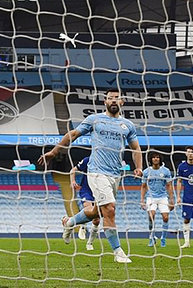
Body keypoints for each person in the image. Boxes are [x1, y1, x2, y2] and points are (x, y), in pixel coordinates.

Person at [38, 89, 143, 264]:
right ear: (105, 102)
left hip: (115, 174)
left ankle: (70, 222)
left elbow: (136, 148)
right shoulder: (94, 120)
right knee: (109, 209)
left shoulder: (128, 125)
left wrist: (139, 167)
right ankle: (118, 251)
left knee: (97, 212)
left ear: (122, 102)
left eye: (117, 98)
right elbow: (72, 134)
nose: (114, 101)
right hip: (96, 172)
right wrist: (54, 151)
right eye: (110, 98)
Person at [141, 151, 175, 247]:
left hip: (163, 197)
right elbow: (143, 186)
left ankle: (163, 238)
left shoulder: (166, 171)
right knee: (151, 216)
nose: (155, 159)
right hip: (151, 197)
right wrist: (142, 200)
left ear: (160, 159)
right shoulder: (146, 171)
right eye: (154, 157)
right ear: (151, 159)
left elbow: (169, 185)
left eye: (157, 157)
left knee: (165, 217)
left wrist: (171, 200)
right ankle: (151, 237)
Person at [69, 156, 100, 250]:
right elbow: (73, 170)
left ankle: (89, 243)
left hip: (99, 191)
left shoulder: (107, 161)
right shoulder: (88, 160)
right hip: (86, 190)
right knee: (88, 208)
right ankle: (82, 225)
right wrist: (73, 181)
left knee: (96, 220)